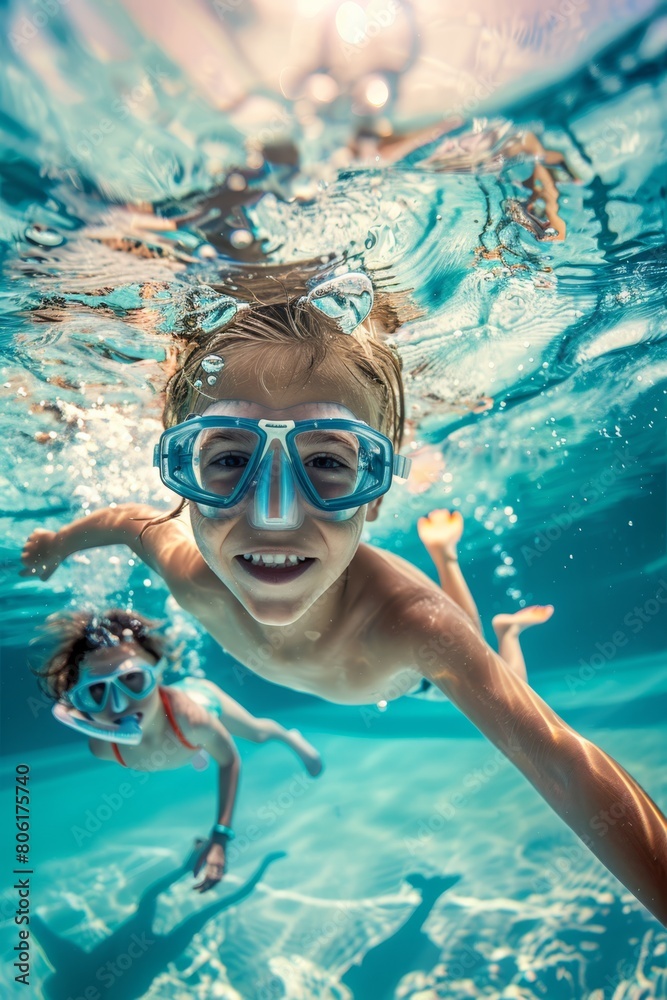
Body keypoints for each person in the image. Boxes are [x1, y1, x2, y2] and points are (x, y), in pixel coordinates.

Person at [21, 270, 667, 925]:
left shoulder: (417, 627)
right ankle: (441, 554)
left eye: (327, 463)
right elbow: (127, 522)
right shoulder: (186, 570)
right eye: (225, 461)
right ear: (184, 480)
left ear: (376, 489)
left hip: (408, 672)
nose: (273, 516)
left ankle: (471, 589)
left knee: (486, 660)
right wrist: (55, 545)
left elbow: (559, 763)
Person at [35, 609, 322, 892]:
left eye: (133, 680)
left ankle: (289, 737)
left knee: (257, 734)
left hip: (204, 699)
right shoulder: (103, 746)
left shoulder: (192, 720)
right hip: (184, 738)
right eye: (96, 692)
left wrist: (220, 837)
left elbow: (229, 760)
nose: (119, 705)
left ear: (158, 675)